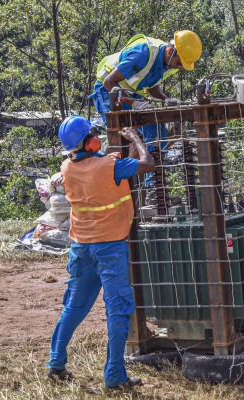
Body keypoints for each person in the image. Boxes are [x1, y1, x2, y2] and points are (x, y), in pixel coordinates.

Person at [46, 115, 154, 390]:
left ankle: (55, 364)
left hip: (81, 247)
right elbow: (147, 164)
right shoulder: (109, 165)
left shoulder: (67, 167)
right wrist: (136, 138)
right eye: (93, 134)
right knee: (118, 310)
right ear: (89, 142)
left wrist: (125, 154)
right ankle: (115, 376)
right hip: (109, 248)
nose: (97, 138)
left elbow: (108, 174)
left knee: (74, 307)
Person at [90, 30, 201, 193]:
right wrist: (135, 103)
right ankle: (111, 186)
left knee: (157, 132)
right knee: (120, 137)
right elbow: (109, 82)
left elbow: (151, 83)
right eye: (179, 63)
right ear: (171, 51)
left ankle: (153, 189)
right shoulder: (143, 53)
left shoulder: (168, 61)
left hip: (128, 92)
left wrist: (166, 100)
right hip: (107, 91)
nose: (179, 67)